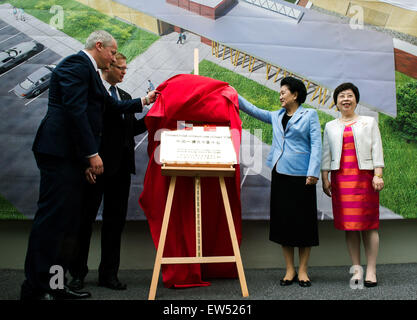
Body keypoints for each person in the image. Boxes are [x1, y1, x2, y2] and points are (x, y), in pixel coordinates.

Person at [21, 30, 157, 300]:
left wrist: (144, 101)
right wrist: (91, 154)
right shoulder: (75, 65)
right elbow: (75, 111)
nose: (113, 57)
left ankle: (56, 287)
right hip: (59, 154)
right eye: (112, 51)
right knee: (52, 223)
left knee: (66, 225)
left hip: (71, 158)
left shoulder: (90, 73)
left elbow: (109, 104)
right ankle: (34, 289)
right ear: (99, 46)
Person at [68, 52, 147, 291]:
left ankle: (109, 274)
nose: (124, 72)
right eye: (120, 68)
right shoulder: (95, 93)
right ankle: (77, 274)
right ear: (108, 67)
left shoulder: (124, 96)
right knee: (84, 223)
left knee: (115, 224)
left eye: (125, 68)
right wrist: (85, 163)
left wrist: (153, 119)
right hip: (97, 169)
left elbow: (129, 129)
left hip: (121, 171)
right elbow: (83, 129)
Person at [238, 76, 322, 287]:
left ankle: (303, 270)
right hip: (280, 173)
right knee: (283, 223)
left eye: (283, 92)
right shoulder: (277, 115)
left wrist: (313, 172)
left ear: (295, 94)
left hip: (303, 177)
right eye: (280, 92)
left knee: (303, 223)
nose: (280, 96)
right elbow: (254, 110)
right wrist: (233, 94)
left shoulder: (309, 114)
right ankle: (289, 270)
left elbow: (317, 145)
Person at [321, 82, 384, 288]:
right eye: (341, 96)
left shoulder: (369, 122)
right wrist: (325, 178)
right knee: (350, 227)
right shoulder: (330, 126)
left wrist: (378, 174)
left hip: (365, 180)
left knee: (369, 225)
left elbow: (377, 149)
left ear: (356, 100)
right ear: (336, 102)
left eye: (349, 95)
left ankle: (372, 270)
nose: (345, 99)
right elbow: (325, 154)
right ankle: (356, 269)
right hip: (341, 180)